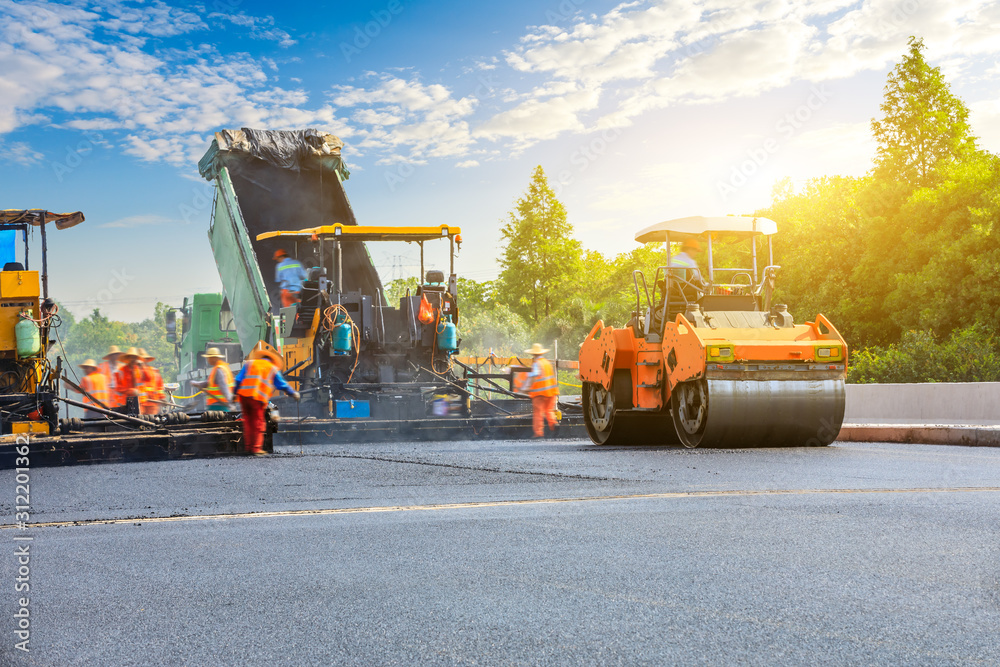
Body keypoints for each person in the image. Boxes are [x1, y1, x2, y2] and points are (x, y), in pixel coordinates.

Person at [233, 343, 300, 456]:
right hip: (256, 399)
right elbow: (281, 384)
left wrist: (234, 393)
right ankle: (256, 449)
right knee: (258, 423)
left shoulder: (250, 364)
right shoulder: (271, 368)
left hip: (243, 397)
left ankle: (248, 447)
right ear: (272, 360)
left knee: (248, 422)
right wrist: (293, 393)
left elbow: (238, 379)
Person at [517, 343, 559, 438]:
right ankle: (554, 424)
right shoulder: (547, 363)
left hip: (539, 393)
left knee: (538, 412)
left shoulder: (537, 364)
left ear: (533, 354)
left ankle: (538, 433)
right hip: (551, 392)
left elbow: (533, 376)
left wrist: (525, 388)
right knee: (549, 410)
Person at [191, 347, 234, 411]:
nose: (207, 360)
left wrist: (230, 402)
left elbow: (223, 386)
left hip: (219, 406)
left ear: (214, 358)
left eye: (208, 357)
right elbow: (209, 383)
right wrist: (197, 384)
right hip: (219, 405)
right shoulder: (220, 367)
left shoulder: (219, 369)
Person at [114, 347, 149, 415]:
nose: (133, 359)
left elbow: (148, 378)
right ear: (128, 359)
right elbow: (118, 388)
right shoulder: (121, 371)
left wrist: (143, 366)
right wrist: (131, 391)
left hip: (139, 402)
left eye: (135, 357)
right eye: (131, 357)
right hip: (125, 403)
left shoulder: (139, 369)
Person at [138, 348, 163, 415]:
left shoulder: (154, 371)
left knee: (152, 421)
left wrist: (161, 398)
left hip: (153, 403)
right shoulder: (133, 372)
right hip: (140, 404)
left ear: (146, 360)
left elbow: (159, 387)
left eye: (143, 359)